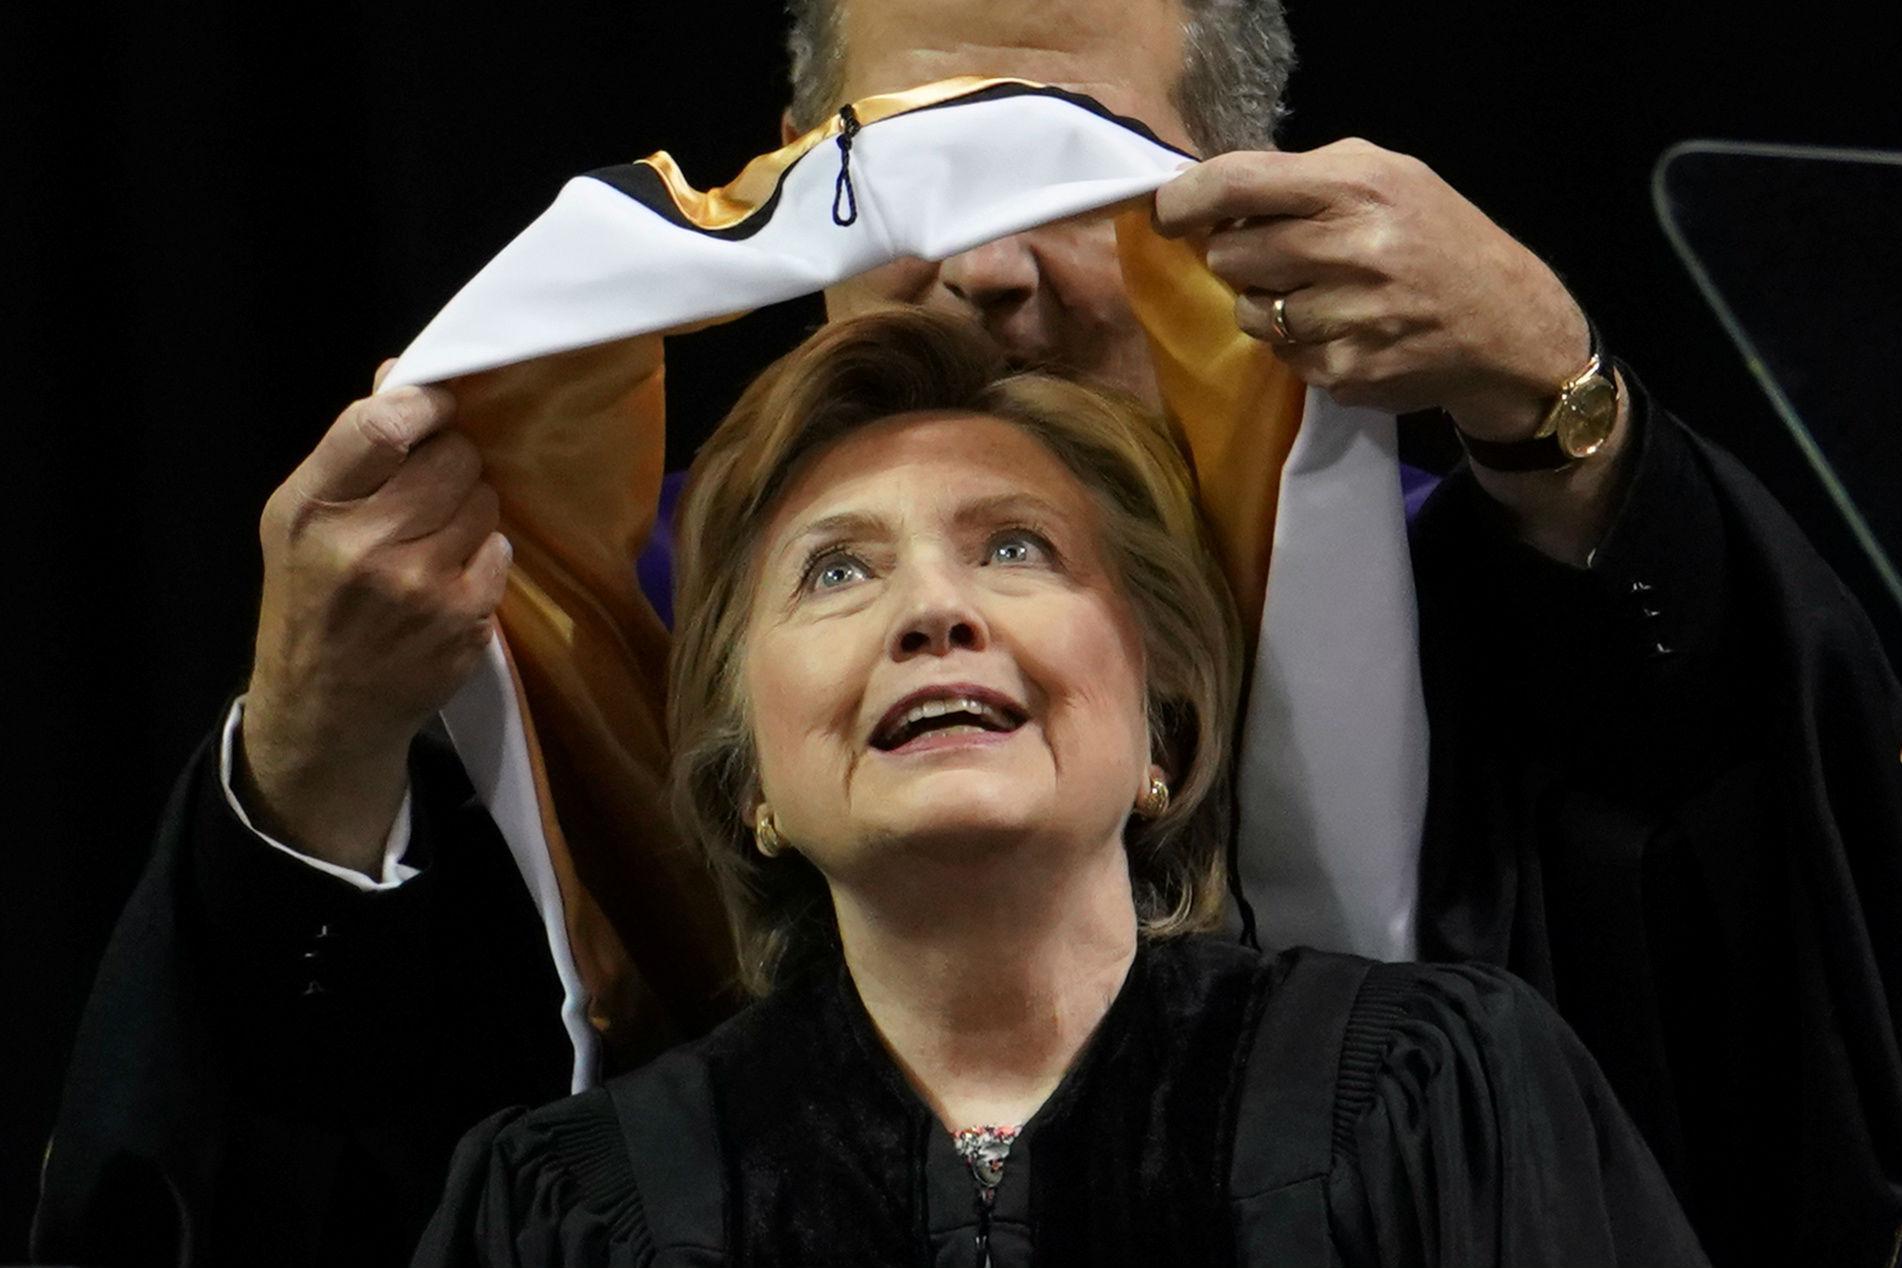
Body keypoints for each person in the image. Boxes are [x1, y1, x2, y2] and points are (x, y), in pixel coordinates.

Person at [36, 2, 1902, 1266]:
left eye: (1062, 176)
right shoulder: (581, 671)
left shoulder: (1481, 641)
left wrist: (1573, 418)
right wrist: (312, 754)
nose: (981, 261)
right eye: (899, 172)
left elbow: (1780, 1008)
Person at [411, 306, 1707, 1267]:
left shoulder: (1430, 1092)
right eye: (835, 573)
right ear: (750, 776)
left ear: (1159, 728)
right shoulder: (573, 1209)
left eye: (1014, 548)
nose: (931, 611)